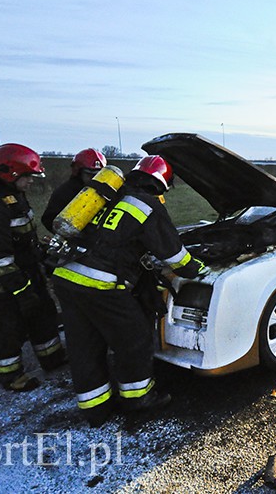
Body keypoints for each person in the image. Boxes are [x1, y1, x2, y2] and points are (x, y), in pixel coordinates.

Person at [52, 155, 205, 427]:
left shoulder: (110, 195)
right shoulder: (148, 205)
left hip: (66, 276)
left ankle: (95, 409)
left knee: (85, 343)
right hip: (100, 283)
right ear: (161, 184)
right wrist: (198, 268)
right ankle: (138, 399)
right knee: (134, 336)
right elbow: (176, 257)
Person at [0, 144, 67, 392]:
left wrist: (39, 255)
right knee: (8, 329)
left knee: (43, 314)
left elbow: (21, 239)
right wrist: (21, 291)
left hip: (25, 273)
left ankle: (52, 358)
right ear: (11, 174)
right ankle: (11, 376)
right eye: (28, 176)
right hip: (1, 284)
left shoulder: (11, 195)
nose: (32, 181)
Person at [41, 148, 107, 233]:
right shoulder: (64, 192)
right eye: (89, 174)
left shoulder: (106, 192)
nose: (93, 178)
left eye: (98, 174)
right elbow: (49, 219)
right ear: (79, 173)